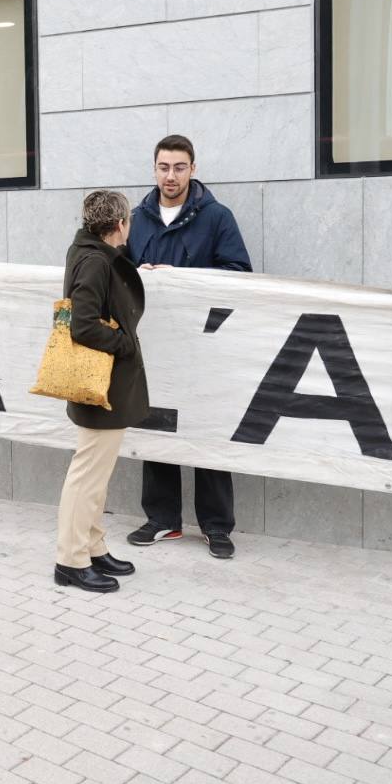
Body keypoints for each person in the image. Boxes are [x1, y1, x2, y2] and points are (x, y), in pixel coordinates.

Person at [125, 135, 252, 560]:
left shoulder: (217, 217)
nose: (171, 176)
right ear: (154, 168)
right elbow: (117, 270)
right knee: (156, 428)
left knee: (207, 433)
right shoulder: (136, 218)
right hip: (156, 344)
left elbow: (239, 275)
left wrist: (179, 277)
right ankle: (162, 521)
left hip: (204, 347)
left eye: (179, 167)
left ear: (193, 169)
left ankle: (217, 527)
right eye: (164, 167)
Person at [54, 190, 149, 594]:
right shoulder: (95, 261)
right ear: (119, 225)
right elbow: (82, 325)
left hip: (105, 382)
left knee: (97, 474)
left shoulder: (91, 253)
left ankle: (93, 546)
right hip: (100, 383)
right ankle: (70, 561)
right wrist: (124, 344)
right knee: (87, 475)